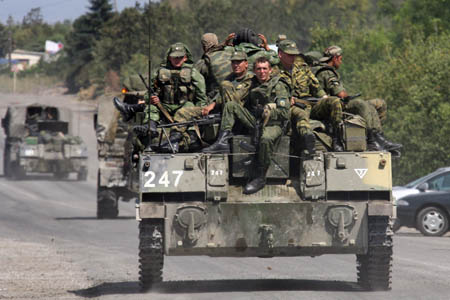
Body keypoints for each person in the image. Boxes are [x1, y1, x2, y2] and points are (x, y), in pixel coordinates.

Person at [203, 56, 290, 194]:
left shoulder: (278, 86)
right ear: (254, 70)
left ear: (270, 70)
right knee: (231, 106)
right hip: (255, 121)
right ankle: (222, 141)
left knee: (266, 139)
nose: (262, 72)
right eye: (259, 69)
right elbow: (237, 97)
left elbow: (285, 113)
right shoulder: (251, 84)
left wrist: (266, 112)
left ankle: (260, 177)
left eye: (265, 69)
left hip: (273, 124)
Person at [159, 50, 254, 152]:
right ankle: (173, 142)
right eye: (233, 62)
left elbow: (236, 97)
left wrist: (215, 103)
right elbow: (218, 95)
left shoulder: (250, 78)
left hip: (236, 114)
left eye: (239, 62)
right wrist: (210, 105)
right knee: (184, 112)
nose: (236, 65)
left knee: (226, 89)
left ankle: (222, 141)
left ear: (246, 64)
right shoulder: (230, 77)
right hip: (220, 110)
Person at [113, 42, 207, 145]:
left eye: (180, 57)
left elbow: (201, 97)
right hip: (164, 107)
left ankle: (185, 135)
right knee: (151, 107)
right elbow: (148, 94)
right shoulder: (159, 73)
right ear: (169, 57)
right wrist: (152, 99)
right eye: (174, 57)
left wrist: (200, 115)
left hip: (184, 107)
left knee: (189, 106)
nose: (177, 60)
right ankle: (150, 127)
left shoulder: (193, 73)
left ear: (185, 57)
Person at [315, 45, 401, 151]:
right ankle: (371, 140)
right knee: (361, 104)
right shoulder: (326, 72)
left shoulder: (328, 71)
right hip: (333, 108)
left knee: (379, 103)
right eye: (340, 59)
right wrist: (347, 96)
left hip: (339, 104)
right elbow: (340, 94)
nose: (341, 62)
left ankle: (379, 137)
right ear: (335, 58)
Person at [277, 39, 343, 154]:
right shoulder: (274, 71)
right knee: (300, 114)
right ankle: (308, 139)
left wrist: (324, 98)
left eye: (294, 54)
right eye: (289, 54)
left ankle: (337, 139)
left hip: (310, 105)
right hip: (291, 107)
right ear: (280, 54)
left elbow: (316, 88)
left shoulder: (303, 68)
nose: (292, 57)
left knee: (335, 101)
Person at [194, 33, 236, 100]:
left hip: (216, 99)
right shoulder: (231, 51)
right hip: (235, 93)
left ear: (203, 47)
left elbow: (194, 79)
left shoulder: (204, 61)